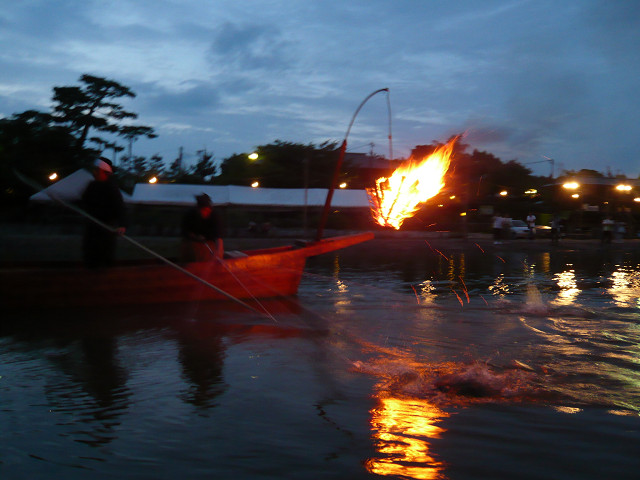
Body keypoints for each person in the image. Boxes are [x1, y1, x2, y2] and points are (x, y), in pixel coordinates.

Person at [81, 157, 126, 268]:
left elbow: (120, 207)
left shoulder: (111, 187)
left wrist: (122, 225)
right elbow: (84, 202)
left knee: (104, 253)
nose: (94, 173)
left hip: (106, 228)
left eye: (97, 170)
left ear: (104, 172)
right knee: (90, 254)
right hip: (92, 227)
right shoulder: (91, 186)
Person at [181, 193, 224, 262]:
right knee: (192, 259)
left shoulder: (215, 215)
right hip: (192, 242)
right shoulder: (189, 214)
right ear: (198, 209)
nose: (206, 212)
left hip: (209, 242)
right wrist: (196, 237)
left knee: (211, 259)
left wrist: (219, 251)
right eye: (204, 210)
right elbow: (185, 232)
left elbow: (218, 236)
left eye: (208, 210)